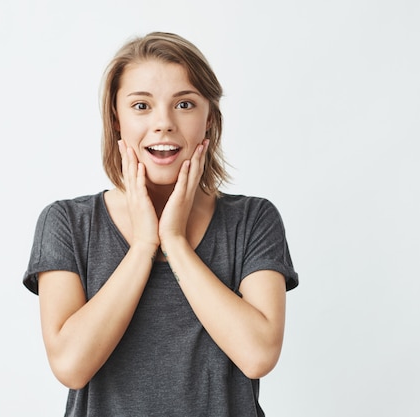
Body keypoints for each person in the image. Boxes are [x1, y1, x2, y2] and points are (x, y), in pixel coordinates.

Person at [23, 31, 298, 417]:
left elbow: (258, 354)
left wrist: (175, 242)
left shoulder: (253, 220)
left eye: (184, 104)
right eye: (141, 106)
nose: (163, 123)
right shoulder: (67, 223)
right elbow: (71, 366)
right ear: (116, 118)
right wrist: (141, 247)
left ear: (209, 118)